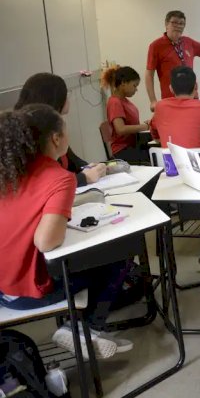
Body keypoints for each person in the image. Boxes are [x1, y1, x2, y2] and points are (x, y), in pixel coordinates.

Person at [0, 104, 132, 359]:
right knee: (119, 254)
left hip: (2, 287)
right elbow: (46, 241)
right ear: (56, 138)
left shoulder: (10, 170)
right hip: (24, 293)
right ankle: (84, 329)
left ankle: (83, 329)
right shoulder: (59, 178)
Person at [14, 73, 107, 187]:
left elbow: (73, 162)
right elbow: (45, 184)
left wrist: (92, 168)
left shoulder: (53, 126)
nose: (68, 98)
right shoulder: (32, 136)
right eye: (66, 94)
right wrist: (83, 178)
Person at [145, 10, 200, 111]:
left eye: (181, 23)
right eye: (174, 22)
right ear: (166, 24)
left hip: (192, 97)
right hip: (170, 99)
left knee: (194, 125)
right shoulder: (156, 46)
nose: (178, 26)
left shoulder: (188, 42)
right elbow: (149, 74)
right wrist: (153, 100)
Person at [102, 65, 151, 163]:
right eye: (134, 85)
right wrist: (145, 127)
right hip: (122, 151)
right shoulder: (115, 102)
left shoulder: (124, 101)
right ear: (123, 83)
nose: (136, 89)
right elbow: (120, 129)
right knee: (154, 155)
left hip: (132, 146)